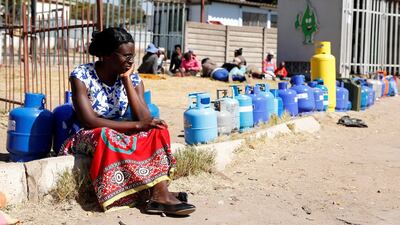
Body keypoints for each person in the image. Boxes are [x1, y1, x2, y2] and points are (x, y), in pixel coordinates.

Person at [62, 28, 196, 215]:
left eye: (133, 56)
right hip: (91, 134)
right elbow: (89, 120)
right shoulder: (82, 75)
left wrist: (126, 80)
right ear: (107, 55)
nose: (131, 61)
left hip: (122, 129)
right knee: (107, 134)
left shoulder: (132, 77)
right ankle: (154, 194)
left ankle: (159, 193)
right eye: (126, 56)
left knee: (158, 128)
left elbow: (145, 119)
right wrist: (136, 126)